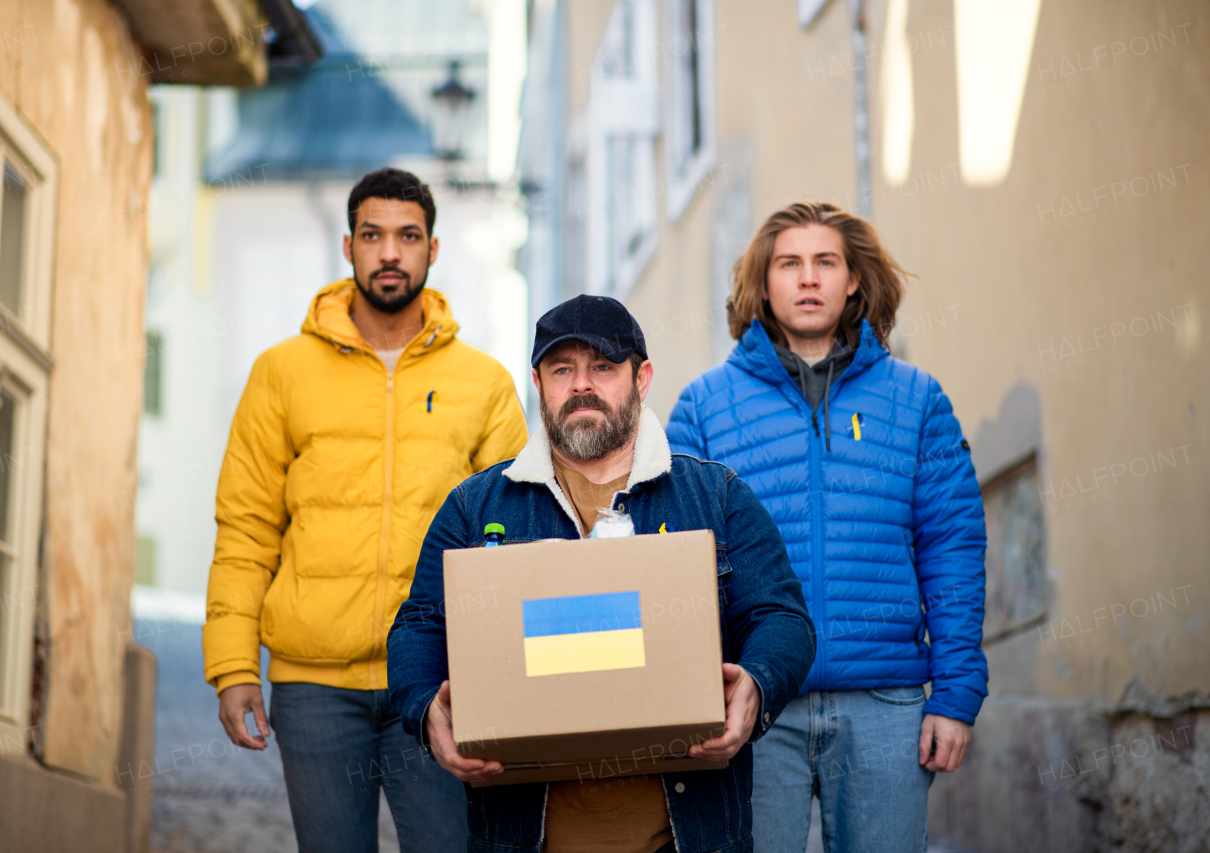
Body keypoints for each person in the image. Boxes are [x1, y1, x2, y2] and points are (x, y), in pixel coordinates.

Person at [387, 295, 816, 853]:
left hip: (689, 836)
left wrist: (757, 684)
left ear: (642, 380)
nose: (581, 385)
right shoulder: (474, 507)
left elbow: (783, 618)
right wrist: (427, 711)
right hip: (525, 837)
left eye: (604, 367)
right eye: (562, 369)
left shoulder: (717, 497)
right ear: (539, 384)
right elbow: (418, 626)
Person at [202, 168, 528, 853]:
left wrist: (504, 676)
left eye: (407, 236)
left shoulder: (485, 385)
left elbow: (514, 539)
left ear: (432, 249)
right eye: (373, 236)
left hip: (440, 682)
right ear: (348, 245)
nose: (389, 253)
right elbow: (247, 527)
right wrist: (234, 667)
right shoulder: (282, 373)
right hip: (314, 685)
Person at [666, 200, 988, 852]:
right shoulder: (703, 405)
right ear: (765, 282)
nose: (808, 278)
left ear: (854, 282)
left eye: (825, 262)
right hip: (752, 705)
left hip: (886, 702)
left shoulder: (916, 398)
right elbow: (675, 561)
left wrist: (954, 694)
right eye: (789, 263)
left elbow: (951, 544)